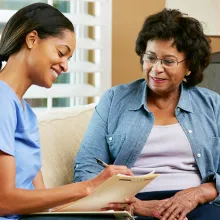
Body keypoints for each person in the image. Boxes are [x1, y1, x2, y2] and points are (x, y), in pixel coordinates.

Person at [74, 8, 220, 220]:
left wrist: (199, 193)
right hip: (129, 204)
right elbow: (85, 168)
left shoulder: (212, 105)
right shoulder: (114, 100)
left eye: (168, 61)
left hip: (196, 204)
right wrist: (132, 204)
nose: (156, 69)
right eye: (150, 57)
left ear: (189, 66)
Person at [0, 3, 134, 220]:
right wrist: (89, 186)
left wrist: (99, 201)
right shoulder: (2, 100)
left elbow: (42, 201)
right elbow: (3, 201)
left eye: (69, 59)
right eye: (61, 53)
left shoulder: (26, 114)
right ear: (32, 39)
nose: (65, 66)